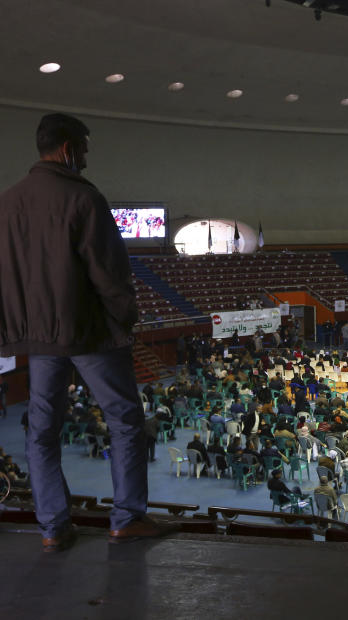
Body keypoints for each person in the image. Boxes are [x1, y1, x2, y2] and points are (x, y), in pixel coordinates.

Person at [0, 113, 177, 552]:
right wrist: (125, 319)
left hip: (38, 338)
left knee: (41, 431)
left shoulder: (8, 202)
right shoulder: (84, 198)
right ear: (67, 149)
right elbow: (110, 273)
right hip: (88, 333)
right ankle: (126, 517)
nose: (86, 156)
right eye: (84, 147)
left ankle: (53, 527)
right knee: (125, 420)